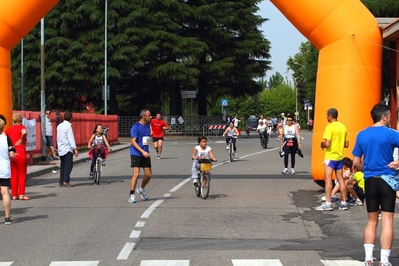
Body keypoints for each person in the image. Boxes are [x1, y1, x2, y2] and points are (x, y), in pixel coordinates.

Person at [352, 104, 399, 266]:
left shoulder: (361, 135)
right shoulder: (391, 134)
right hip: (387, 179)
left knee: (371, 220)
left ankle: (368, 258)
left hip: (369, 180)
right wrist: (397, 162)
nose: (391, 119)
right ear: (384, 117)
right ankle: (384, 260)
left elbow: (356, 162)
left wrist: (369, 167)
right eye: (390, 116)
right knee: (387, 220)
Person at [316, 108, 349, 211]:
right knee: (341, 179)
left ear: (330, 115)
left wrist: (322, 144)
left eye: (327, 115)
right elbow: (346, 144)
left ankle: (328, 203)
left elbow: (327, 143)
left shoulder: (329, 127)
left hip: (330, 157)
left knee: (328, 179)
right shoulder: (343, 127)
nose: (326, 117)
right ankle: (344, 203)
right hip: (340, 157)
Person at [129, 109, 152, 203]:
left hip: (145, 153)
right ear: (144, 116)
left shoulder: (148, 125)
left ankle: (142, 189)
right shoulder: (136, 127)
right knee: (136, 173)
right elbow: (133, 142)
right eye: (149, 115)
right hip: (136, 153)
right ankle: (131, 194)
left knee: (148, 175)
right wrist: (142, 151)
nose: (151, 117)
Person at [5, 113, 29, 200]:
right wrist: (21, 139)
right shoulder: (22, 127)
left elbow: (3, 135)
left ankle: (14, 194)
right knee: (22, 174)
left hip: (12, 154)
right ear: (21, 120)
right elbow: (24, 132)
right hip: (20, 153)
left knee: (13, 174)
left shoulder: (9, 129)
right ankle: (21, 194)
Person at [57, 111, 79, 187]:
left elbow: (58, 137)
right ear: (71, 118)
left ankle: (61, 180)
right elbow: (70, 138)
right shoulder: (68, 126)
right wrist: (75, 148)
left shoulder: (59, 126)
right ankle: (66, 180)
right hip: (67, 148)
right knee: (69, 165)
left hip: (61, 148)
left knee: (62, 165)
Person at [0, 118, 15, 224]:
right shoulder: (7, 139)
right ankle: (7, 218)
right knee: (5, 193)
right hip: (4, 169)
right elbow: (12, 154)